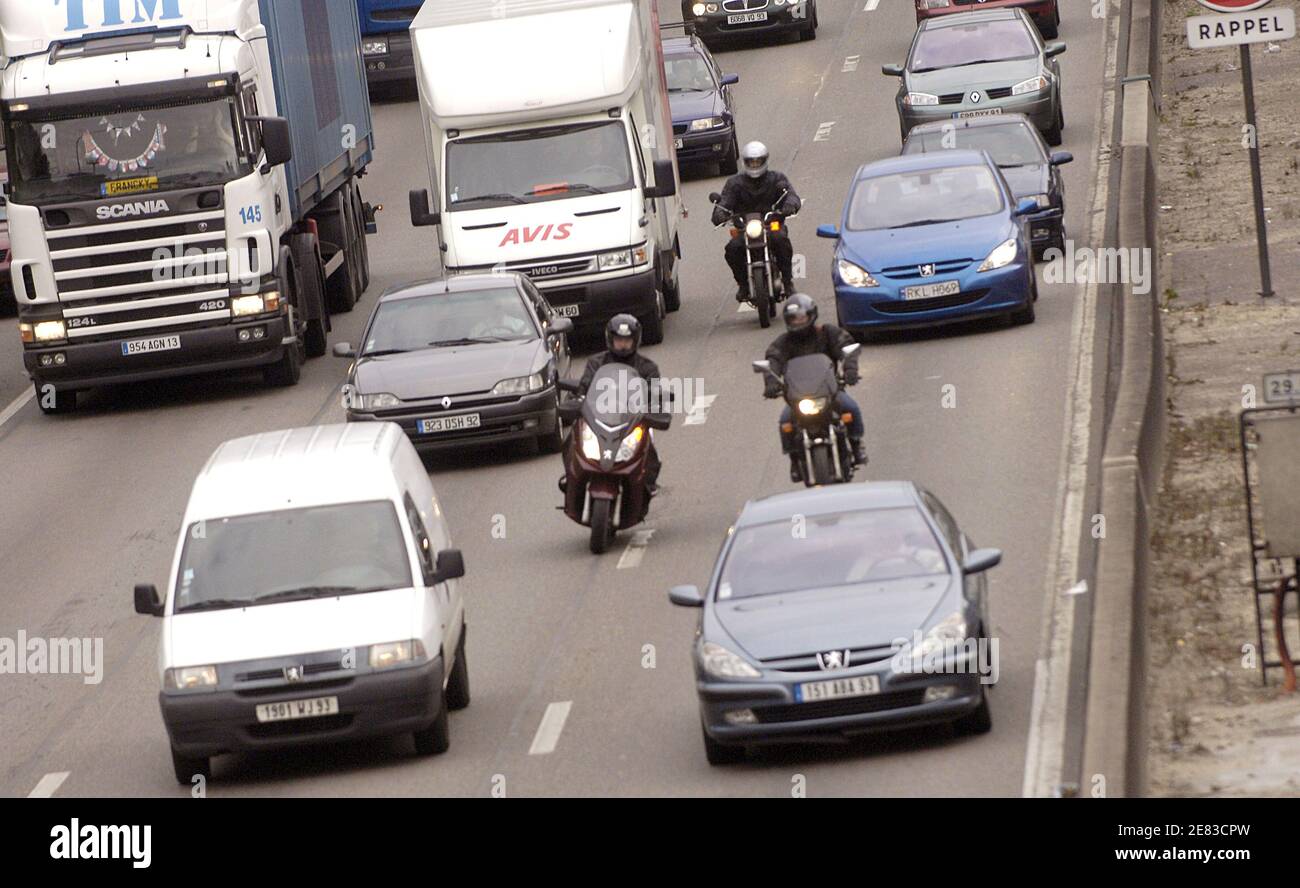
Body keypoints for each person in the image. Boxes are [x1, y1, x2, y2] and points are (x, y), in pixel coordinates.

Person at [762, 293, 865, 482]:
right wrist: (771, 382)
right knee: (786, 420)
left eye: (802, 317)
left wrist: (850, 371)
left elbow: (847, 346)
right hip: (799, 397)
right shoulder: (784, 342)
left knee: (851, 408)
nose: (798, 322)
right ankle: (794, 459)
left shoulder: (827, 333)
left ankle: (856, 445)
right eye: (794, 318)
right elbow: (773, 360)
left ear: (812, 315)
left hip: (829, 392)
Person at [573, 314, 663, 493]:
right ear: (610, 339)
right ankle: (573, 476)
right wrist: (578, 399)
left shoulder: (647, 367)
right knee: (575, 438)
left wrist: (655, 407)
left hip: (633, 418)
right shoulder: (596, 363)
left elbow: (655, 394)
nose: (622, 344)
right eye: (619, 340)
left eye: (627, 340)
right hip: (599, 416)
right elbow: (584, 386)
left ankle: (648, 482)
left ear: (635, 340)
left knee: (648, 441)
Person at [711, 140, 801, 302]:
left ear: (765, 160)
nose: (754, 165)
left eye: (757, 161)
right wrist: (720, 213)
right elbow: (724, 201)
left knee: (780, 240)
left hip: (771, 224)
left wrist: (789, 205)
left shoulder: (777, 179)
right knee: (732, 248)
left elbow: (791, 194)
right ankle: (743, 284)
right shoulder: (735, 183)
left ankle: (787, 282)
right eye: (751, 162)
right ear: (745, 162)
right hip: (745, 228)